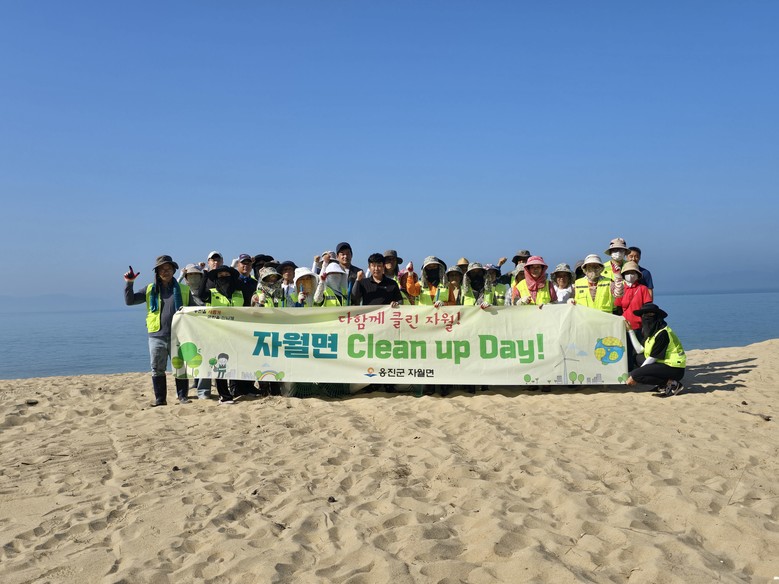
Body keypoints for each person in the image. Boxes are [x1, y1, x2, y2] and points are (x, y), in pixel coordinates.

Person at [124, 255, 194, 406]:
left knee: (181, 367)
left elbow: (194, 311)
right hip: (156, 335)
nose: (165, 271)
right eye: (162, 269)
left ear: (174, 271)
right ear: (157, 272)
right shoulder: (150, 289)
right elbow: (130, 301)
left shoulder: (184, 289)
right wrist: (129, 283)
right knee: (157, 368)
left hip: (179, 335)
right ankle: (160, 399)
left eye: (168, 268)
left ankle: (182, 397)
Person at [626, 303, 686, 395]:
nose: (646, 317)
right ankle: (664, 384)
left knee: (637, 375)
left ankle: (673, 384)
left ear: (657, 316)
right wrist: (630, 331)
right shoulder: (652, 332)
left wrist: (636, 374)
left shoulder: (663, 333)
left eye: (650, 314)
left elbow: (652, 358)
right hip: (663, 363)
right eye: (644, 315)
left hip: (674, 368)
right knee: (637, 358)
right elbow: (639, 350)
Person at [614, 261, 653, 369]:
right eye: (627, 273)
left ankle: (640, 370)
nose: (630, 275)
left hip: (639, 326)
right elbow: (617, 308)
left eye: (633, 272)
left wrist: (646, 325)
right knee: (625, 350)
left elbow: (647, 307)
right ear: (623, 275)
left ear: (637, 275)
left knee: (639, 350)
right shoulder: (621, 289)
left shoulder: (643, 289)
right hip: (624, 326)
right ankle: (628, 370)